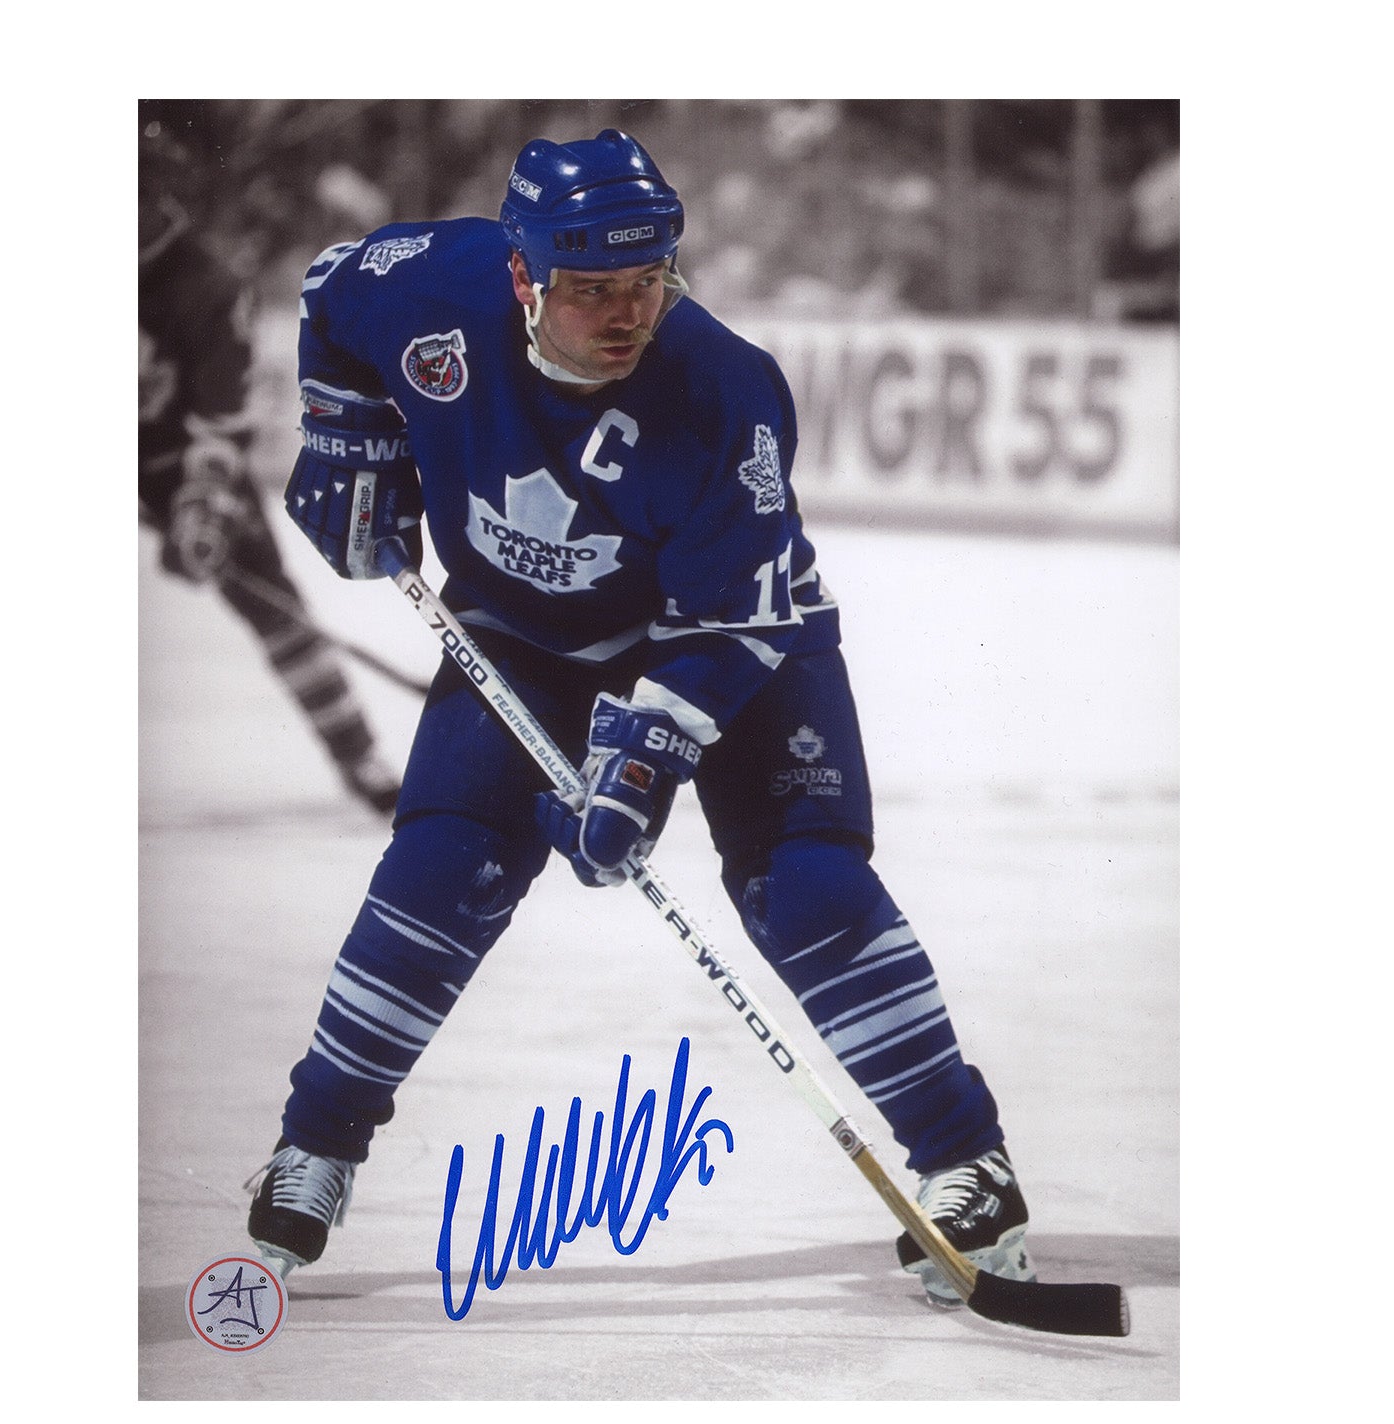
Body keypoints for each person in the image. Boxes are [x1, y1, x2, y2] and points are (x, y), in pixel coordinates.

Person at [244, 129, 1036, 1307]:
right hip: (523, 633)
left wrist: (641, 765)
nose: (627, 314)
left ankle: (970, 1164)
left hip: (727, 637)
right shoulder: (430, 287)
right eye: (592, 289)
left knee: (806, 888)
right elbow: (326, 295)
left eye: (648, 280)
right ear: (523, 275)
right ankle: (315, 1148)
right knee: (443, 869)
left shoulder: (725, 391)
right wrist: (344, 436)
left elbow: (733, 621)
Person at [139, 110, 401, 815]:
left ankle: (360, 756)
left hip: (169, 462)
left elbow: (221, 422)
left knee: (270, 599)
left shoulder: (204, 285)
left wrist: (204, 504)